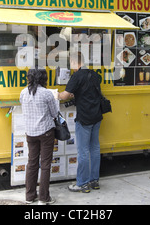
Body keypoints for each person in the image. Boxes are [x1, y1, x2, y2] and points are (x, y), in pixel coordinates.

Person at [57, 52, 103, 193]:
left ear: (73, 61)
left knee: (83, 151)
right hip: (97, 116)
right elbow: (89, 92)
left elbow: (64, 95)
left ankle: (82, 183)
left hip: (84, 118)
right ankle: (94, 181)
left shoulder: (76, 76)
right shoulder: (95, 75)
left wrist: (53, 94)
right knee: (95, 148)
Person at [20, 68, 59, 205]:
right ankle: (44, 198)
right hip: (46, 132)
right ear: (44, 78)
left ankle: (30, 196)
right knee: (45, 165)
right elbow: (55, 114)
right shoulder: (47, 93)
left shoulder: (23, 92)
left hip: (30, 133)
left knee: (32, 163)